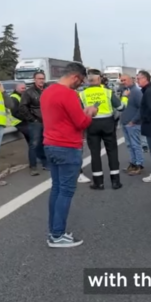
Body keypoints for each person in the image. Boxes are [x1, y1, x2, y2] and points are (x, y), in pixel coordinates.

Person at [41, 63, 97, 248]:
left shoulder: (47, 91)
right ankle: (57, 235)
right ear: (75, 77)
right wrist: (91, 113)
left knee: (56, 189)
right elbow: (81, 123)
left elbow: (62, 117)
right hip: (67, 147)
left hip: (50, 144)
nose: (80, 85)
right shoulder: (69, 94)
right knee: (65, 191)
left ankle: (54, 230)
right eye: (80, 81)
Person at [79, 69, 125, 190]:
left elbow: (79, 111)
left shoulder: (82, 94)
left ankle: (98, 182)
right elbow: (120, 107)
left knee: (95, 153)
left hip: (91, 124)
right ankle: (115, 182)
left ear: (89, 81)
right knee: (112, 152)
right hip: (108, 124)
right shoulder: (107, 92)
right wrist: (125, 98)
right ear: (99, 79)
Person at [18, 71, 48, 176]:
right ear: (34, 79)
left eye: (43, 78)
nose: (41, 80)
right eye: (39, 78)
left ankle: (46, 163)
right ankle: (33, 167)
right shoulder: (29, 92)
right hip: (35, 122)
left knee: (45, 143)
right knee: (34, 144)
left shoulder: (46, 90)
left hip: (47, 121)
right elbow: (23, 107)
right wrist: (32, 119)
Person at [119, 74, 144, 175]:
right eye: (121, 80)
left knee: (135, 145)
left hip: (133, 124)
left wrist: (134, 120)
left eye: (124, 80)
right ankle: (133, 163)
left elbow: (141, 108)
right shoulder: (126, 91)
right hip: (125, 123)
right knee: (130, 145)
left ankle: (139, 164)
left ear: (131, 80)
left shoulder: (136, 92)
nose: (122, 82)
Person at [8, 82, 29, 149]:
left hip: (23, 121)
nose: (24, 89)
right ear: (16, 88)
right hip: (18, 122)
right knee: (34, 138)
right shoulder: (13, 98)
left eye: (25, 88)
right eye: (22, 88)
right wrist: (27, 118)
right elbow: (15, 113)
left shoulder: (21, 96)